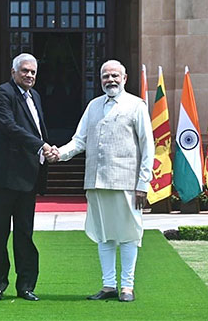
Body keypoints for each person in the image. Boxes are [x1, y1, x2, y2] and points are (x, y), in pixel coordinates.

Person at [49, 59, 154, 303]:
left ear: (125, 78)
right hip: (96, 182)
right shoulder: (94, 106)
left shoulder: (136, 106)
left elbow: (148, 147)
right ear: (100, 79)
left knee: (129, 234)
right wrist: (59, 153)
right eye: (106, 76)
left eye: (115, 76)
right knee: (103, 235)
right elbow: (79, 140)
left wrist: (143, 184)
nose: (111, 80)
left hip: (127, 182)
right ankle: (109, 285)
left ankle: (127, 286)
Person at [0, 53, 53, 302]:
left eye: (33, 72)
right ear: (14, 72)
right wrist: (41, 145)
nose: (30, 75)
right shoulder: (3, 93)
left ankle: (26, 286)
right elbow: (9, 126)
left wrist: (46, 149)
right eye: (25, 71)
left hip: (27, 177)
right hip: (2, 176)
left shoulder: (36, 97)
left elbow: (36, 129)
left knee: (25, 233)